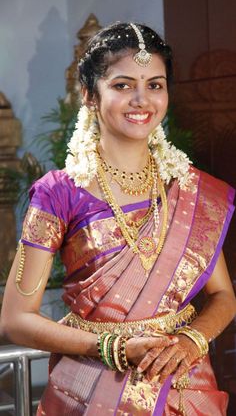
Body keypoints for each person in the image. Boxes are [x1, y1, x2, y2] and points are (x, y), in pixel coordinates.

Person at [1, 21, 236, 416]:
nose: (141, 100)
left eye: (155, 85)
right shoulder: (58, 193)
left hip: (184, 386)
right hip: (90, 390)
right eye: (123, 85)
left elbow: (223, 296)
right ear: (90, 95)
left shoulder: (190, 189)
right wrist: (114, 348)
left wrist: (190, 340)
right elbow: (16, 320)